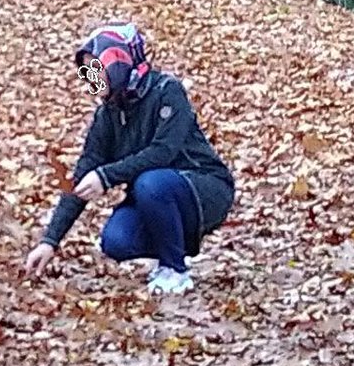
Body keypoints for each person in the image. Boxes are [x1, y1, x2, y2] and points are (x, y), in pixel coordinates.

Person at [25, 22, 235, 294]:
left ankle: (175, 270)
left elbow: (163, 152)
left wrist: (106, 176)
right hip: (154, 196)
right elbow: (83, 172)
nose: (92, 79)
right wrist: (49, 241)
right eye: (86, 73)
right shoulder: (108, 115)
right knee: (116, 241)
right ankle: (168, 251)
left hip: (205, 189)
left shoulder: (167, 91)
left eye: (96, 69)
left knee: (150, 183)